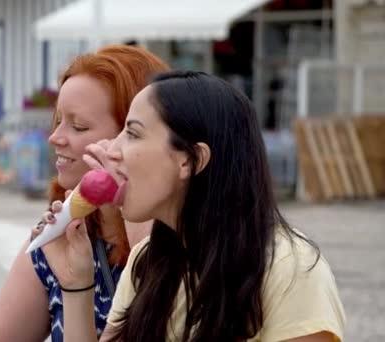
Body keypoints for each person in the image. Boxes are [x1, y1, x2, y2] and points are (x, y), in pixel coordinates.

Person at [41, 71, 346, 341]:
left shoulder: (288, 268)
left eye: (132, 133)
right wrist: (76, 283)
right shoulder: (146, 262)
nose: (111, 149)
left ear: (190, 159)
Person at [0, 45, 170, 342]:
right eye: (58, 121)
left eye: (78, 126)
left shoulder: (177, 240)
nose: (55, 137)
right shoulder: (59, 237)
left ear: (133, 135)